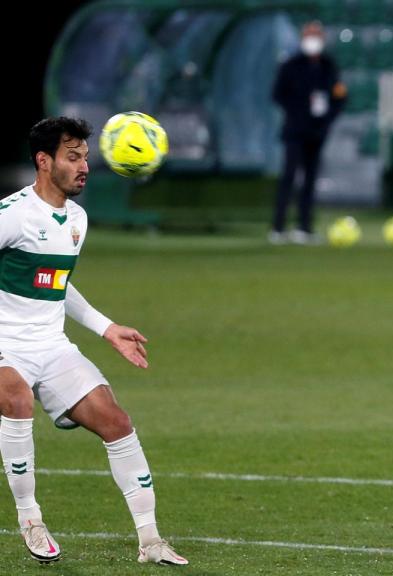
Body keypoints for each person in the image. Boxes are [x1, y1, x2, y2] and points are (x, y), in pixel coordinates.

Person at [0, 117, 187, 565]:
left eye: (85, 156)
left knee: (116, 421)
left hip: (52, 346)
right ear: (43, 162)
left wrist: (107, 328)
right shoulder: (13, 215)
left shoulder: (76, 219)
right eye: (72, 157)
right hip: (6, 346)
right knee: (16, 399)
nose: (84, 166)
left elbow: (57, 285)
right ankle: (31, 519)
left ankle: (151, 541)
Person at [270, 21, 347, 245]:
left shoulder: (328, 65)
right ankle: (278, 227)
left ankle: (304, 227)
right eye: (309, 35)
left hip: (317, 132)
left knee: (310, 180)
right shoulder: (291, 64)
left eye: (316, 35)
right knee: (289, 177)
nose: (312, 40)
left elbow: (339, 96)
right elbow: (277, 94)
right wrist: (297, 111)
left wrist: (327, 119)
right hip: (294, 130)